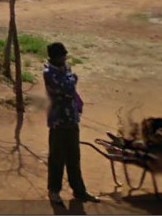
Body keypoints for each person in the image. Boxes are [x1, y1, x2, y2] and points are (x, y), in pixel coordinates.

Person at [43, 42, 99, 205]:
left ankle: (79, 190)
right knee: (57, 159)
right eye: (62, 55)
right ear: (54, 57)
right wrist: (71, 81)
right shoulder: (49, 72)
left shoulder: (64, 69)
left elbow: (70, 87)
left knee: (74, 158)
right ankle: (54, 191)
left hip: (71, 119)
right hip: (58, 121)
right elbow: (67, 86)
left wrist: (71, 84)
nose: (65, 57)